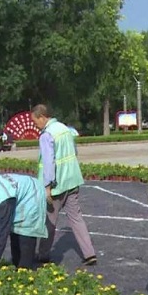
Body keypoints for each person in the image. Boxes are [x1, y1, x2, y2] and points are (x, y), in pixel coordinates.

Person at [31, 104, 97, 266]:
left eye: (35, 122)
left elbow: (48, 162)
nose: (35, 125)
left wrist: (47, 186)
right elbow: (74, 152)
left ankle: (44, 254)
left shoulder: (47, 135)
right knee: (76, 218)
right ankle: (89, 254)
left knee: (49, 220)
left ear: (42, 117)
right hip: (72, 180)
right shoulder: (65, 129)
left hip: (57, 186)